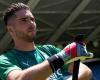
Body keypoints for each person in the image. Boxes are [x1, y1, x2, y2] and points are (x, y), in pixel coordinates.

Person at [0, 3, 93, 80]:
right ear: (10, 29)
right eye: (24, 20)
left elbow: (85, 70)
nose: (31, 23)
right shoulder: (5, 60)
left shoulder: (50, 50)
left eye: (32, 19)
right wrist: (63, 56)